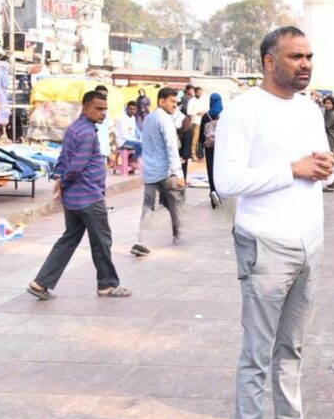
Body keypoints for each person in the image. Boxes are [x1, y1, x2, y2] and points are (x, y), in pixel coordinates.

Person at [214, 26, 334, 419]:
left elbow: (317, 160)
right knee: (257, 354)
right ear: (269, 61)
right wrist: (293, 170)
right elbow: (225, 182)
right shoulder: (243, 110)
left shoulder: (308, 108)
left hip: (309, 241)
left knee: (293, 346)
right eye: (294, 56)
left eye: (308, 56)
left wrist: (323, 166)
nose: (305, 64)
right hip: (265, 244)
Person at [26, 90, 129, 300]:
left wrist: (59, 180)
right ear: (86, 108)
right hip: (88, 197)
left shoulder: (75, 128)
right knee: (101, 241)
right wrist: (63, 181)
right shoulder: (87, 133)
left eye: (105, 109)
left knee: (69, 239)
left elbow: (63, 158)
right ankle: (107, 285)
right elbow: (76, 165)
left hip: (74, 198)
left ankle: (41, 283)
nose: (103, 113)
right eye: (98, 109)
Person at [131, 87, 186, 257]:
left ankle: (141, 241)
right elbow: (171, 146)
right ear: (161, 101)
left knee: (148, 205)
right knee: (177, 202)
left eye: (176, 103)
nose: (175, 106)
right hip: (167, 171)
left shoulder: (148, 119)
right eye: (172, 102)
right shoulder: (165, 120)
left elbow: (144, 143)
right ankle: (178, 235)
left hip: (150, 171)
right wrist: (179, 173)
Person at [200, 92, 224, 208]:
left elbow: (201, 135)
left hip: (209, 148)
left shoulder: (206, 116)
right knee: (221, 170)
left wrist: (200, 151)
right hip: (222, 147)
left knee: (211, 170)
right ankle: (222, 193)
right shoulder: (225, 115)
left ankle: (213, 192)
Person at [322, 96, 334, 191]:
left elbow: (325, 126)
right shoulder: (329, 113)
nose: (327, 105)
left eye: (329, 103)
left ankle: (331, 184)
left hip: (331, 140)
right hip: (331, 139)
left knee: (330, 161)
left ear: (333, 105)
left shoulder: (332, 114)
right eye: (326, 103)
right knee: (333, 160)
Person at [188, 86, 209, 160]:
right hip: (195, 121)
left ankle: (199, 154)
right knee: (194, 139)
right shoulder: (191, 101)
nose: (199, 93)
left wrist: (203, 112)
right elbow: (189, 112)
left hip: (202, 122)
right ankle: (193, 154)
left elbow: (206, 109)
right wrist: (197, 112)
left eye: (200, 92)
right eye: (198, 92)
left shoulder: (203, 100)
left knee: (200, 139)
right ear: (195, 92)